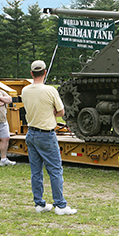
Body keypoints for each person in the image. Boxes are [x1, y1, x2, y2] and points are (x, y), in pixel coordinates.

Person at [21, 59, 76, 215]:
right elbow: (61, 112)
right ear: (45, 72)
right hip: (46, 134)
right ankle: (60, 205)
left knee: (36, 172)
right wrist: (51, 112)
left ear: (32, 73)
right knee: (55, 171)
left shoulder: (25, 90)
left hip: (31, 133)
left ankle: (39, 204)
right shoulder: (50, 90)